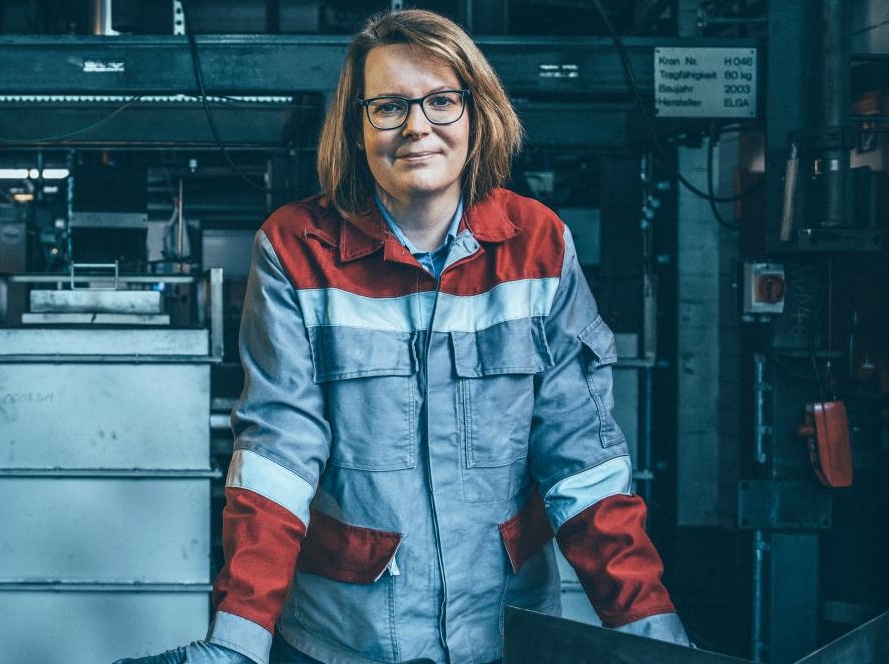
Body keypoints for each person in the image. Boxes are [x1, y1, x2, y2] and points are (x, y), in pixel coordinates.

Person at [115, 9, 690, 664]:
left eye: (441, 100)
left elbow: (581, 459)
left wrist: (652, 634)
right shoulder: (297, 249)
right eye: (389, 107)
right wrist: (239, 642)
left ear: (476, 112)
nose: (418, 126)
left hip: (502, 635)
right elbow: (279, 454)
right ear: (356, 128)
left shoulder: (538, 246)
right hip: (342, 638)